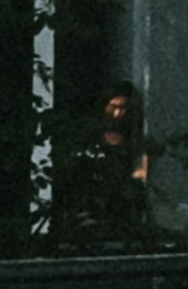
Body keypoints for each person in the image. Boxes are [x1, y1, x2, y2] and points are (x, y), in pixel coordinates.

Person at [63, 81, 151, 238]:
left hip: (126, 214)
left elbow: (142, 172)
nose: (118, 114)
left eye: (123, 108)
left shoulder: (136, 142)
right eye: (113, 107)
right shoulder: (89, 139)